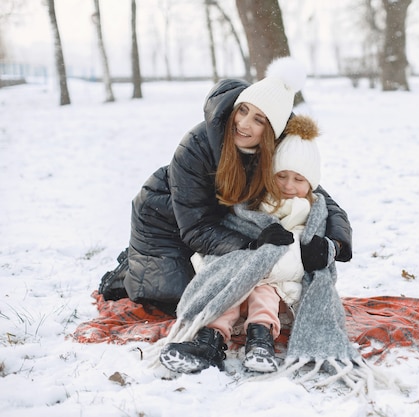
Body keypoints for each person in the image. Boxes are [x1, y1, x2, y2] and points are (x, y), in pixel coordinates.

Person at [98, 57, 352, 342]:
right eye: (242, 110)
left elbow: (319, 196)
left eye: (258, 120)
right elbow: (195, 227)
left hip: (222, 222)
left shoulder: (281, 142)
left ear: (272, 131)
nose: (243, 124)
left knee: (238, 292)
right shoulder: (196, 144)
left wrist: (335, 244)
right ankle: (129, 267)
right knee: (181, 299)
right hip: (166, 217)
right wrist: (251, 245)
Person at [159, 114, 328, 374]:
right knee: (233, 285)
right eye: (281, 176)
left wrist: (265, 264)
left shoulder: (313, 214)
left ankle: (260, 339)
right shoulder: (253, 203)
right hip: (240, 279)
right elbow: (228, 239)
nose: (288, 186)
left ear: (311, 183)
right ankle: (210, 341)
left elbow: (309, 259)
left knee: (263, 291)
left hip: (281, 291)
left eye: (298, 179)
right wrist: (249, 260)